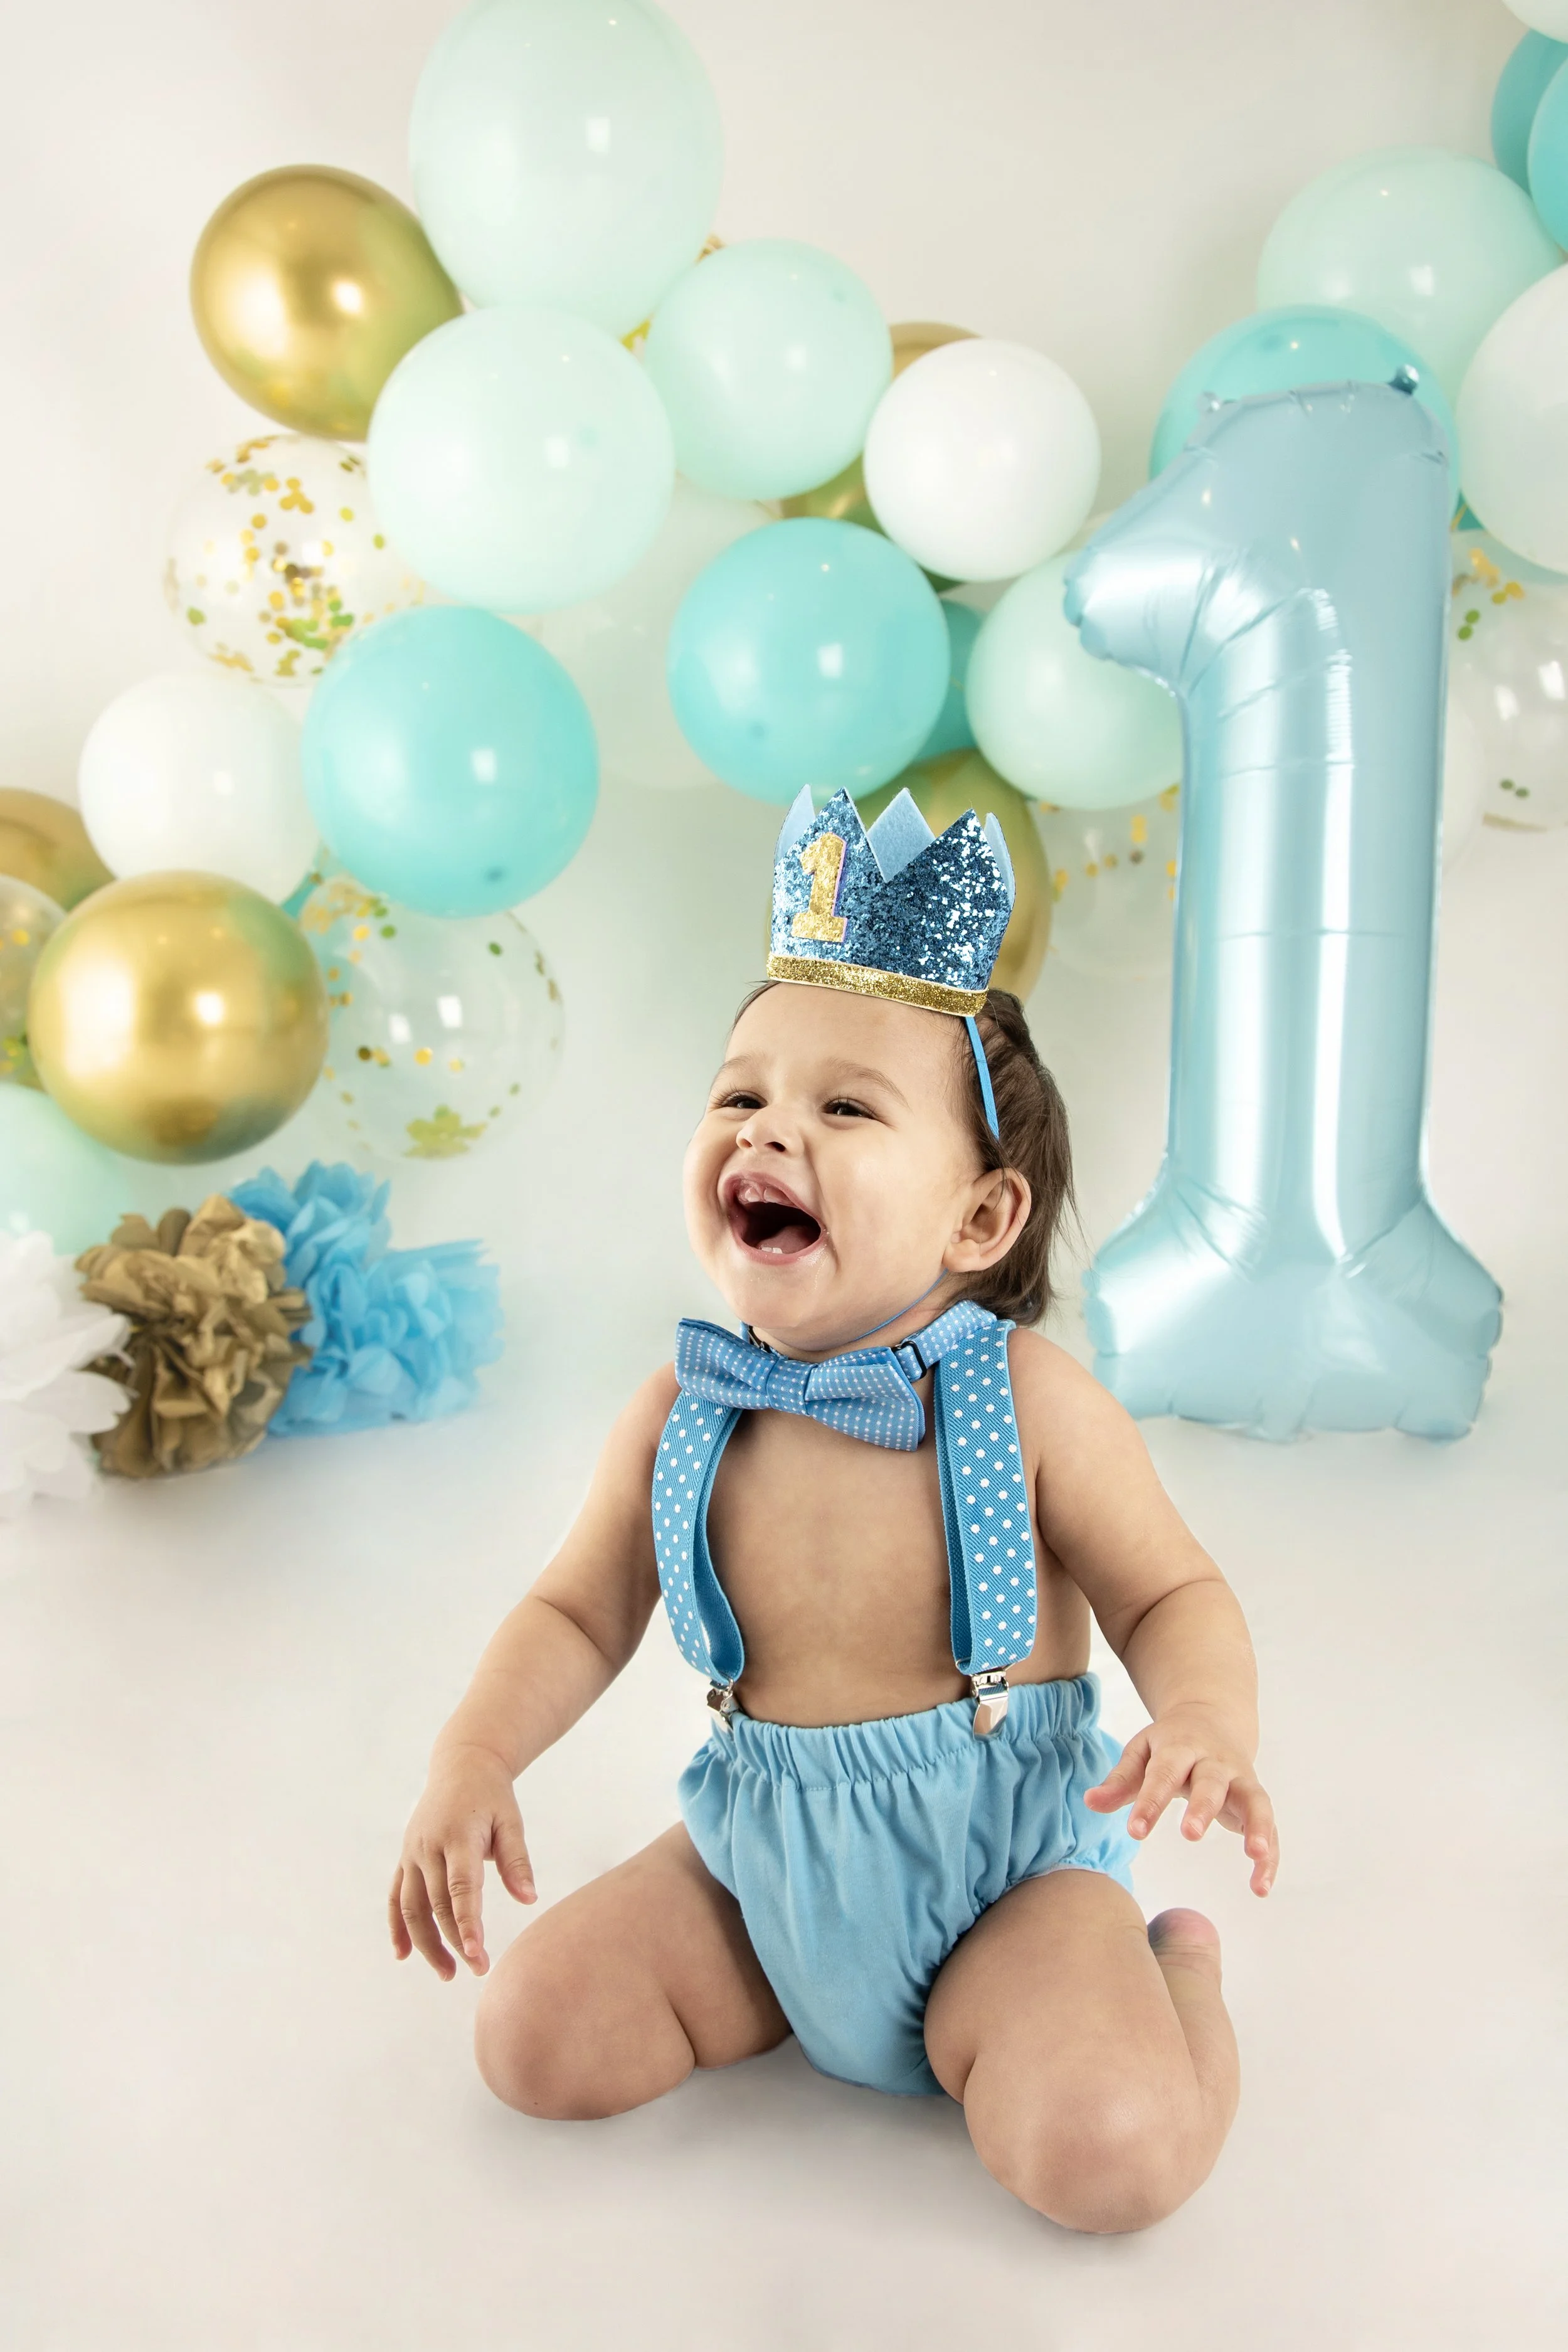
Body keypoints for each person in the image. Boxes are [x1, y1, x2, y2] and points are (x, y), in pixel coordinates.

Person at [390, 785, 1278, 2234]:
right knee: (534, 2040)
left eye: (842, 1107)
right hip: (761, 1871)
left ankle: (1172, 1982)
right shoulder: (684, 1414)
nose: (765, 1130)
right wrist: (474, 1759)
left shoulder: (1026, 1403)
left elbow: (1170, 1593)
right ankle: (783, 2004)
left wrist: (1205, 1721)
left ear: (977, 1221)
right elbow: (574, 1607)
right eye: (740, 1094)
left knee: (1106, 2160)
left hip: (1009, 1884)